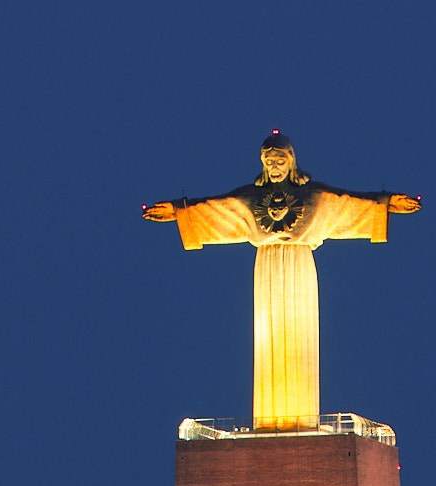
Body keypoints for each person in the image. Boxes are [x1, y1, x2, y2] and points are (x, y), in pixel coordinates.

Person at [144, 133, 420, 429]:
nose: (275, 166)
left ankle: (299, 424)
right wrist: (178, 212)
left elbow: (348, 203)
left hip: (300, 268)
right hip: (267, 270)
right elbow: (216, 208)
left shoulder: (314, 196)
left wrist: (387, 204)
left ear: (291, 161)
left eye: (280, 159)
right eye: (269, 160)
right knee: (269, 343)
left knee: (298, 348)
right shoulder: (250, 199)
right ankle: (272, 425)